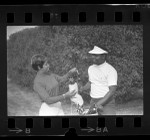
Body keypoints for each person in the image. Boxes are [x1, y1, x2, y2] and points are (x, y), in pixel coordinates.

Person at [80, 46, 118, 115]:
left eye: (96, 55)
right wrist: (82, 88)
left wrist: (99, 104)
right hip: (93, 101)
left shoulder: (110, 70)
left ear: (103, 56)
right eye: (92, 55)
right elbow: (91, 82)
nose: (93, 57)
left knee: (110, 123)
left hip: (107, 102)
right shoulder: (91, 68)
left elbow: (112, 91)